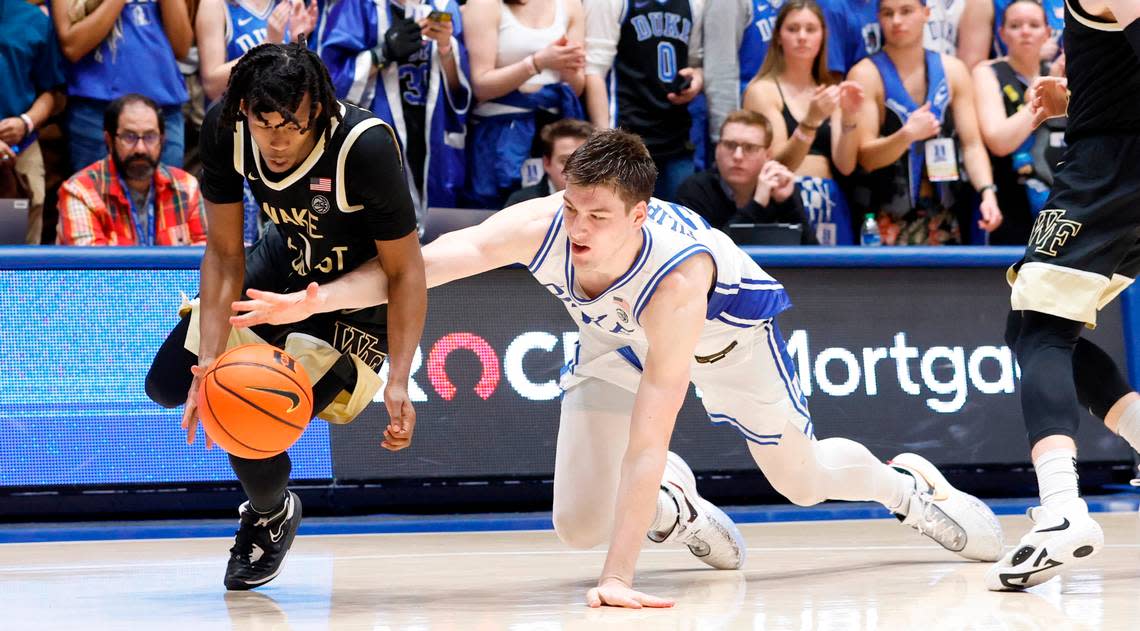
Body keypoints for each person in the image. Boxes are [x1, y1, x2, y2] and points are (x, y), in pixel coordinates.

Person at [228, 129, 1004, 608]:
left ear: (639, 215)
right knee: (576, 526)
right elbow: (422, 268)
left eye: (599, 217)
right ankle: (679, 510)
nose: (579, 229)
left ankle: (907, 490)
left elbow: (648, 434)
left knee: (798, 479)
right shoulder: (543, 225)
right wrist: (311, 301)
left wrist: (621, 577)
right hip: (612, 343)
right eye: (572, 209)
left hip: (723, 344)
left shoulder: (678, 280)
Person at [143, 42, 427, 590]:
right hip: (282, 259)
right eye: (263, 122)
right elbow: (225, 252)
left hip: (352, 302)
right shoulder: (226, 132)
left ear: (316, 111)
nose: (276, 140)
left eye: (291, 125)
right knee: (168, 384)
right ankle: (259, 473)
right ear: (244, 110)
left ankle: (270, 515)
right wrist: (207, 359)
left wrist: (399, 379)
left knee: (252, 419)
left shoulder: (363, 148)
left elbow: (405, 272)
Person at [993, 0, 1140, 591]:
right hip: (1117, 161)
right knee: (1028, 331)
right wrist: (1078, 102)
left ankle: (1060, 511)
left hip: (1107, 174)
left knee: (1042, 331)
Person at [848, 0, 1002, 245]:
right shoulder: (866, 74)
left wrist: (987, 192)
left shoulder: (953, 70)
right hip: (885, 217)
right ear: (878, 18)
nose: (896, 20)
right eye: (888, 13)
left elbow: (972, 145)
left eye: (906, 11)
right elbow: (865, 157)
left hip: (944, 214)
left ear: (926, 14)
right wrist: (906, 135)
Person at [321, 0, 470, 224]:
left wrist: (446, 48)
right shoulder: (359, 6)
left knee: (439, 232)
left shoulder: (445, 6)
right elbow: (331, 83)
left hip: (434, 137)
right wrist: (382, 53)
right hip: (379, 131)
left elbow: (461, 93)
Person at [197, 0, 318, 244]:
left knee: (295, 232)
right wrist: (268, 47)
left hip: (285, 134)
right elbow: (211, 82)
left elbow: (311, 86)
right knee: (238, 240)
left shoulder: (291, 4)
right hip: (238, 134)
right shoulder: (215, 5)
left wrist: (296, 45)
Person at [742, 0, 861, 245]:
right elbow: (777, 165)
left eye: (811, 29)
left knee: (838, 282)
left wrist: (849, 116)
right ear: (777, 37)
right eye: (793, 29)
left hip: (830, 198)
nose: (802, 37)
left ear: (823, 37)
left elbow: (846, 165)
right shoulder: (762, 90)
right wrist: (810, 122)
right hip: (785, 197)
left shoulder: (831, 90)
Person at [463, 0, 586, 209]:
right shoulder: (484, 4)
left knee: (557, 209)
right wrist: (537, 63)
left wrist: (568, 66)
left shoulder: (571, 5)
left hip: (553, 126)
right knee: (497, 213)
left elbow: (576, 87)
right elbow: (480, 85)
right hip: (500, 129)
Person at [582, 0, 704, 201]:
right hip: (626, 137)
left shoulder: (694, 4)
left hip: (677, 136)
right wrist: (604, 140)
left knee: (679, 223)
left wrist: (697, 79)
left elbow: (695, 62)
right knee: (626, 222)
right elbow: (594, 70)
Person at [51, 0, 193, 171]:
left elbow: (181, 48)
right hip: (98, 112)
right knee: (95, 195)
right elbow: (72, 47)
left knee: (167, 194)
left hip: (163, 108)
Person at [972, 0, 1064, 245]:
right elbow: (999, 141)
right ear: (1001, 33)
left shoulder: (1058, 73)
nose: (1025, 31)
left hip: (1060, 201)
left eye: (1034, 25)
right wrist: (1038, 101)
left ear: (1047, 32)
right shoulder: (988, 72)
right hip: (1010, 200)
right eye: (1015, 25)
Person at [57, 94, 206, 246]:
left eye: (150, 137)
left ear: (162, 140)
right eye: (129, 137)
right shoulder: (80, 192)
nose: (140, 149)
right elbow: (91, 267)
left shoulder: (186, 187)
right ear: (109, 140)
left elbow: (205, 257)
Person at [677, 110, 816, 244]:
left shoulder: (780, 187)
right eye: (730, 145)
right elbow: (710, 253)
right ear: (717, 150)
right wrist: (758, 204)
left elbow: (813, 257)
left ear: (768, 155)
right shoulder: (695, 190)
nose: (738, 156)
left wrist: (788, 204)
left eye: (749, 147)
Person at [0, 0, 67, 244]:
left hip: (19, 149)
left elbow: (53, 91)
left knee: (13, 247)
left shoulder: (33, 20)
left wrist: (26, 122)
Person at [504, 118, 592, 206]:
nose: (576, 170)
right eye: (565, 161)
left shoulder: (603, 201)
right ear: (546, 163)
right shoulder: (521, 204)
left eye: (583, 161)